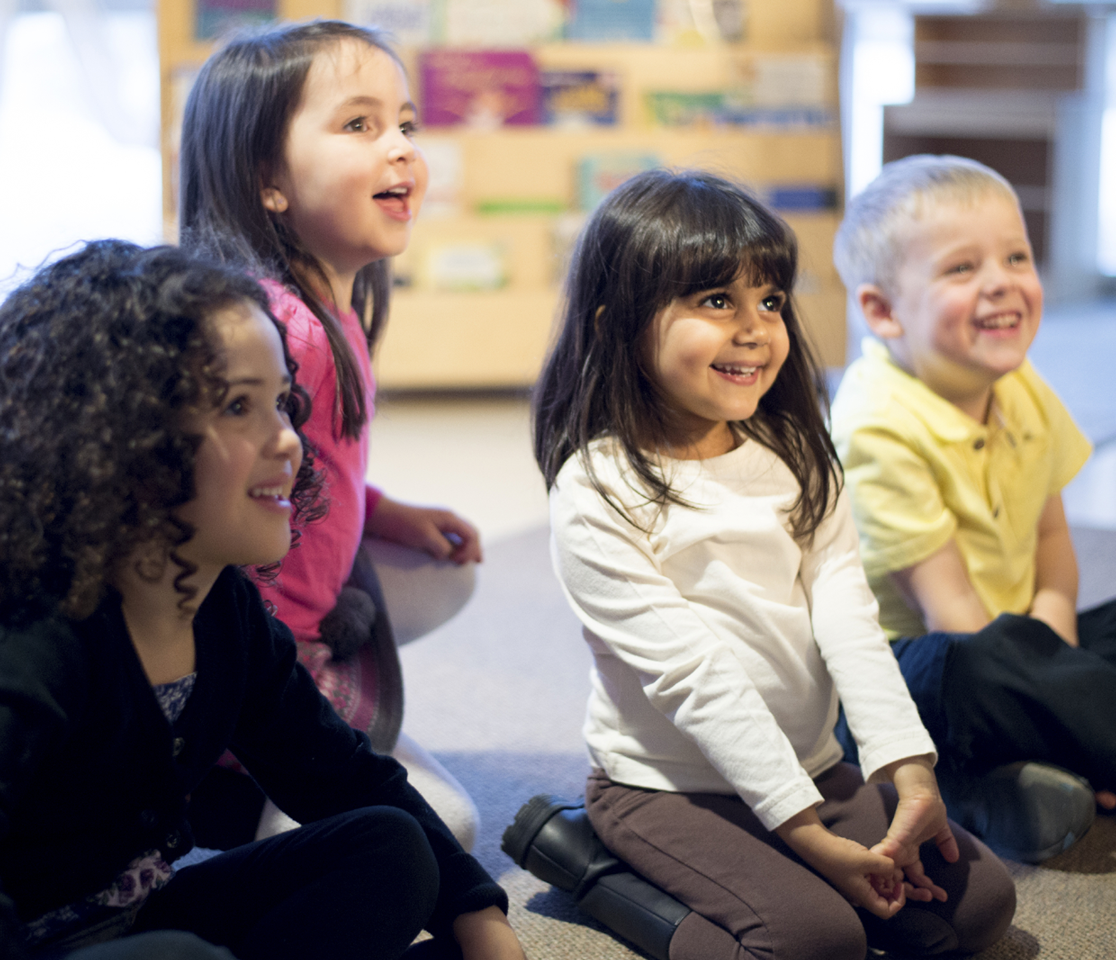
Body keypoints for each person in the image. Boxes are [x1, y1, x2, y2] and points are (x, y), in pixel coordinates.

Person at [506, 169, 1016, 960]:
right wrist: (807, 837)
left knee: (982, 905)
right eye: (717, 302)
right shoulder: (596, 487)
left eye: (770, 300)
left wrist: (909, 773)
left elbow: (851, 622)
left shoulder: (798, 456)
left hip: (812, 768)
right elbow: (695, 677)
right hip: (664, 789)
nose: (755, 328)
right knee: (814, 942)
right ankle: (589, 869)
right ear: (618, 325)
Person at [0, 240, 525, 960]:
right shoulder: (34, 635)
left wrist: (480, 918)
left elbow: (340, 775)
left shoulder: (221, 605)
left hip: (131, 919)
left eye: (282, 400)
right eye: (239, 406)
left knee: (389, 844)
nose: (289, 441)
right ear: (121, 438)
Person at [828, 153, 1116, 865]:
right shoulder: (875, 424)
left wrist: (1058, 653)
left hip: (1022, 652)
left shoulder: (1018, 380)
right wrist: (1053, 678)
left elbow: (1053, 544)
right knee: (978, 665)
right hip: (922, 680)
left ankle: (1051, 761)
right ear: (882, 310)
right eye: (962, 269)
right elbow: (953, 617)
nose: (1002, 281)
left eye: (1016, 256)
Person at [178, 19, 482, 848]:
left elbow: (317, 470)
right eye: (360, 125)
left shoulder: (330, 308)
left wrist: (384, 514)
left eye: (406, 124)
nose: (401, 149)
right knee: (443, 830)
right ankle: (243, 786)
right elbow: (224, 545)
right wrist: (287, 675)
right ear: (268, 179)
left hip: (306, 592)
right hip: (255, 649)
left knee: (449, 571)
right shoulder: (282, 332)